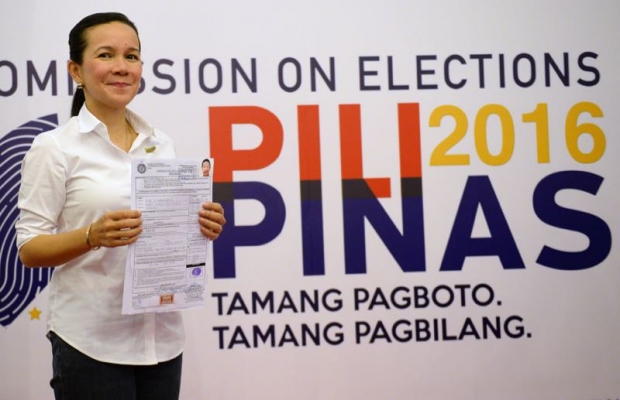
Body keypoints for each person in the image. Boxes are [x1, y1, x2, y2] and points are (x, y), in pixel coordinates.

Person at [15, 12, 226, 400]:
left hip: (161, 339)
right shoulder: (55, 148)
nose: (121, 67)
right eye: (106, 55)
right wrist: (92, 235)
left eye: (132, 56)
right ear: (75, 70)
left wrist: (201, 224)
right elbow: (29, 249)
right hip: (90, 342)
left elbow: (168, 234)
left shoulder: (160, 142)